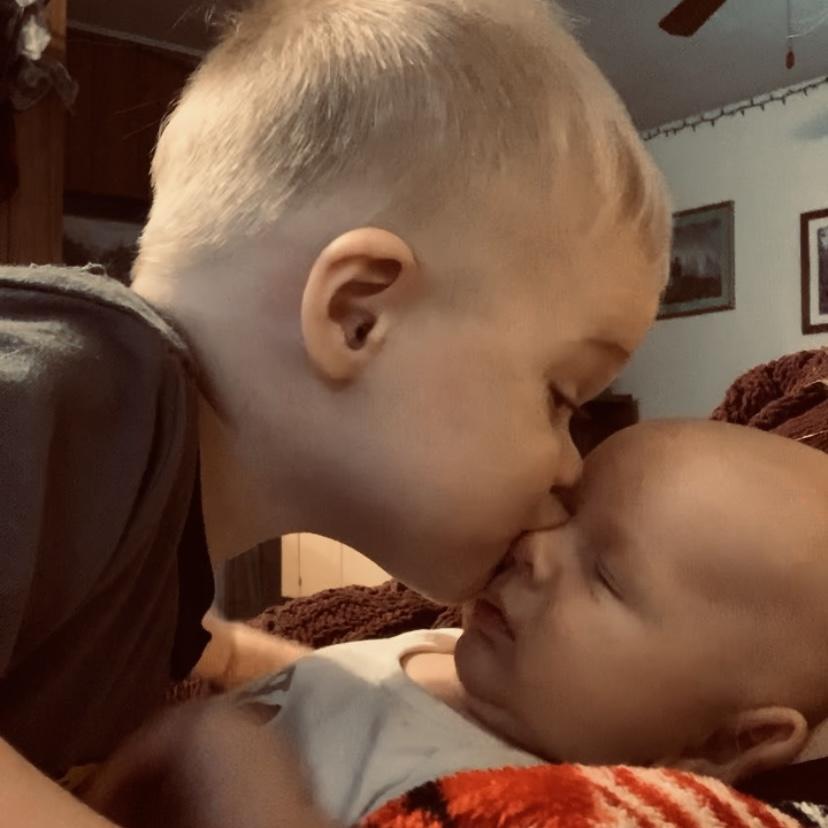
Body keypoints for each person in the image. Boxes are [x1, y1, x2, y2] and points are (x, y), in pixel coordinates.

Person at [0, 0, 671, 823]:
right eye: (562, 396)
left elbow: (211, 650)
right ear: (359, 317)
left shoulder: (158, 550)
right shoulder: (75, 386)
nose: (571, 469)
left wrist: (378, 692)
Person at [112, 418, 826, 827]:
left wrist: (224, 759)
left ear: (728, 740)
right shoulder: (476, 659)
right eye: (565, 513)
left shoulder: (545, 805)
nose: (534, 546)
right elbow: (353, 695)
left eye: (606, 574)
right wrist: (230, 656)